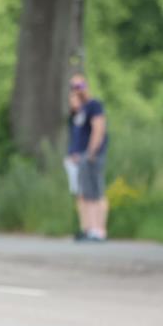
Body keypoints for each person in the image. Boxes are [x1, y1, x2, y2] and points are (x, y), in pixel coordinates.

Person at [68, 74, 109, 241]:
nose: (77, 91)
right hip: (81, 157)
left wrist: (91, 152)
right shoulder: (80, 111)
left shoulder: (94, 105)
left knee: (96, 192)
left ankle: (99, 230)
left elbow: (99, 128)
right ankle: (89, 228)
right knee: (85, 194)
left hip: (91, 155)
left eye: (80, 87)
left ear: (86, 86)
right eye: (73, 88)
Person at [64, 88, 84, 237]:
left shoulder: (85, 115)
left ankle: (88, 227)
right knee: (78, 193)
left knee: (84, 193)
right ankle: (83, 225)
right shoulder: (72, 117)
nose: (72, 101)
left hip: (81, 157)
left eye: (75, 98)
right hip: (72, 157)